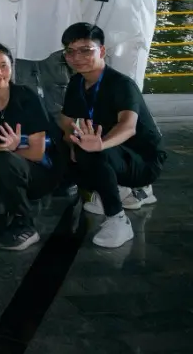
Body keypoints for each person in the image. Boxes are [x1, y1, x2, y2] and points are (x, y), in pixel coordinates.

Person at [58, 23, 166, 248]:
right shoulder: (77, 82)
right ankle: (110, 188)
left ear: (102, 51)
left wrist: (100, 145)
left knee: (90, 151)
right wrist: (70, 140)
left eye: (85, 50)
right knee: (58, 146)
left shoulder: (121, 84)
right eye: (70, 51)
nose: (77, 57)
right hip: (110, 151)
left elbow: (128, 126)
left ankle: (117, 219)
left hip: (143, 160)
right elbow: (66, 121)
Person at [0, 43, 59, 251]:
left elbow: (37, 152)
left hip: (38, 172)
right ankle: (4, 208)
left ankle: (25, 223)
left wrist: (11, 150)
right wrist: (3, 148)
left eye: (3, 65)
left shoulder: (27, 97)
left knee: (4, 159)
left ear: (11, 68)